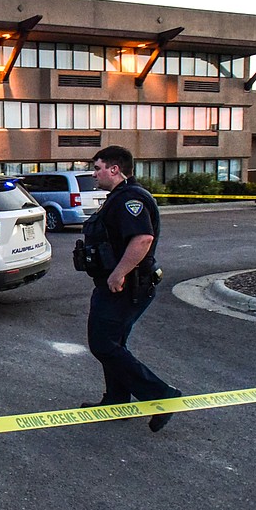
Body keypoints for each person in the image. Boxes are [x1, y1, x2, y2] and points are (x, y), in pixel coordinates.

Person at [77, 146, 181, 432]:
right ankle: (116, 403)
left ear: (114, 169)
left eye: (98, 168)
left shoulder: (129, 199)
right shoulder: (119, 198)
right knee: (113, 344)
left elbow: (142, 239)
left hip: (125, 287)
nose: (94, 173)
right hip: (121, 285)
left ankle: (161, 395)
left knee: (103, 344)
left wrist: (118, 274)